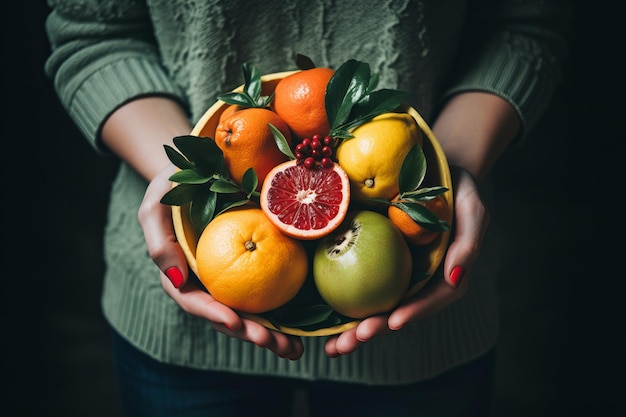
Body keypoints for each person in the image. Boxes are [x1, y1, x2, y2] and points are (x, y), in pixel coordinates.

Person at [44, 1, 570, 416]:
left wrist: (449, 171)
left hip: (424, 320)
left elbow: (525, 25)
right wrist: (175, 170)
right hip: (187, 309)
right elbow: (92, 34)